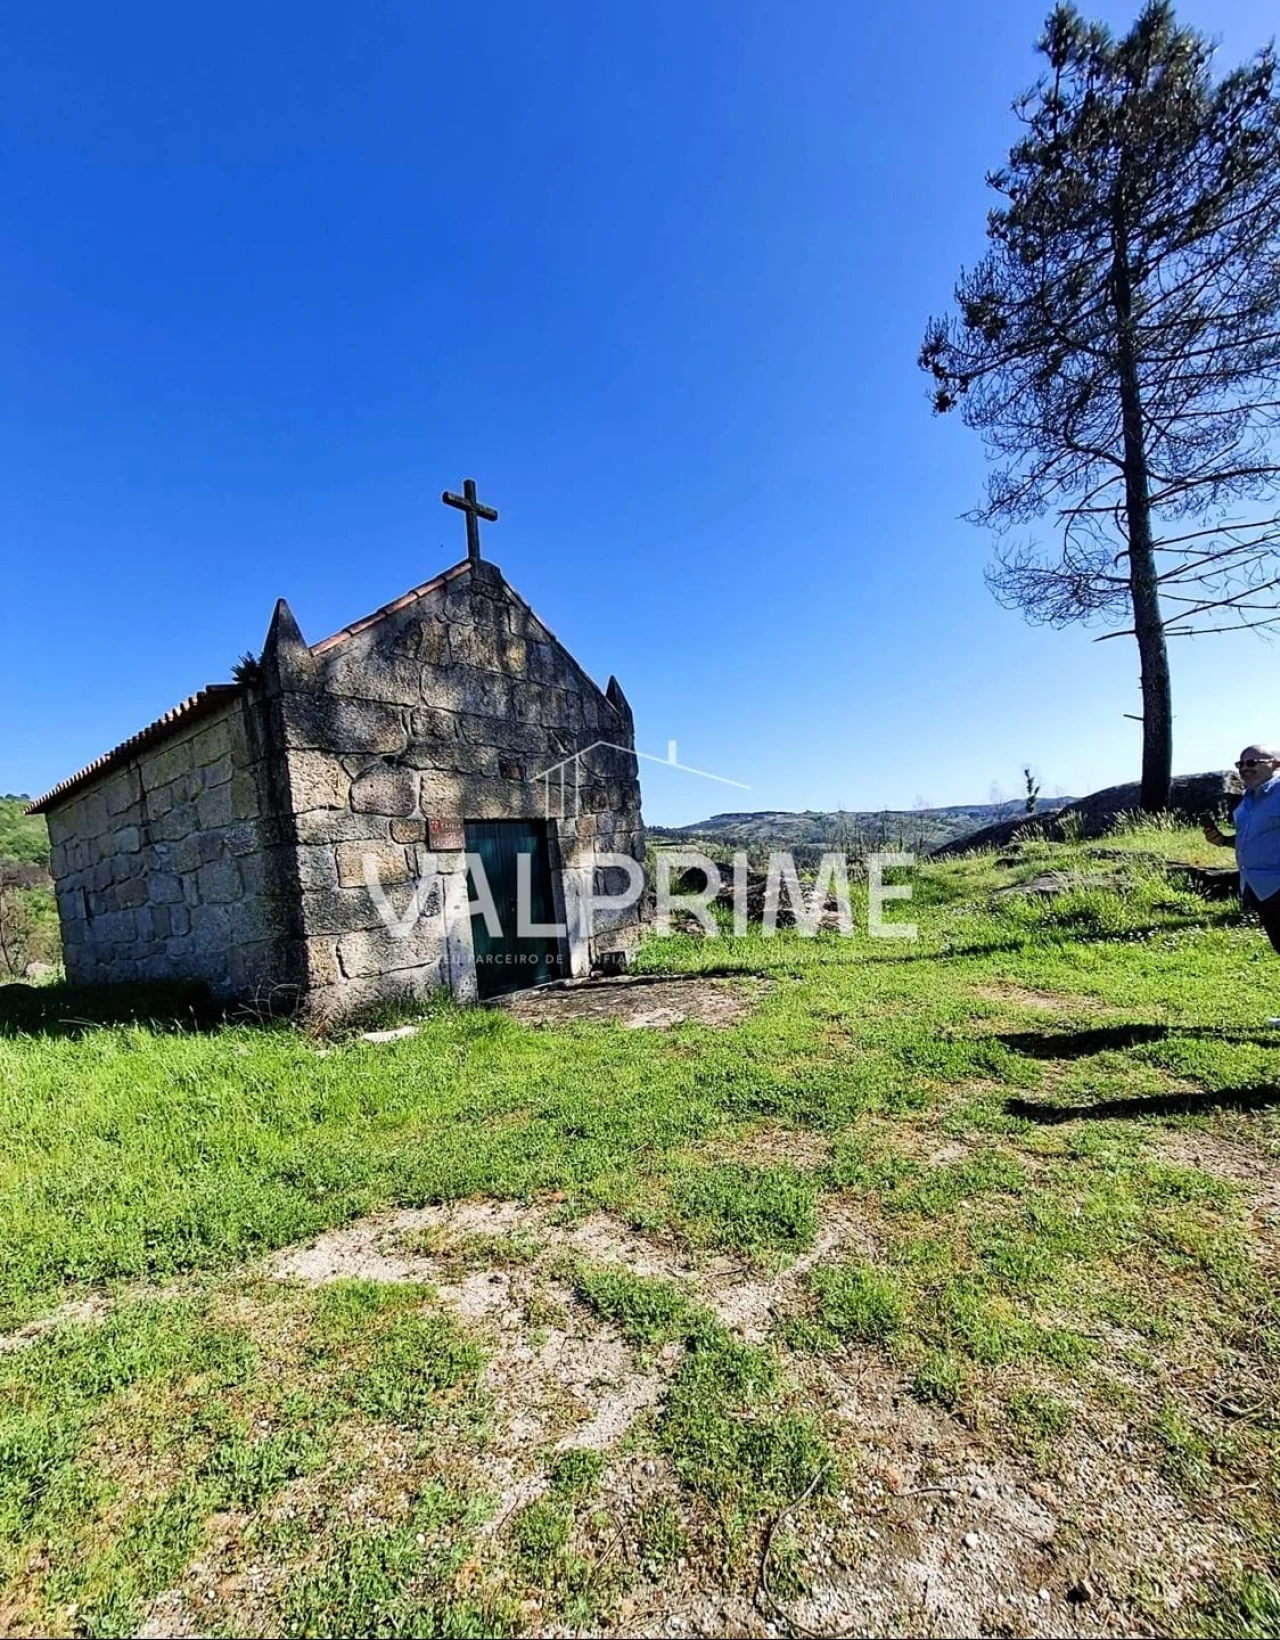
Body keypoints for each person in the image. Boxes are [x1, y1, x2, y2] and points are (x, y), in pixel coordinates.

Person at [1203, 746, 1280, 966]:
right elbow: (1256, 838)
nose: (1245, 768)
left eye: (1252, 762)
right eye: (1241, 764)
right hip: (1260, 889)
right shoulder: (1249, 798)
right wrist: (1224, 840)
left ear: (1276, 764)